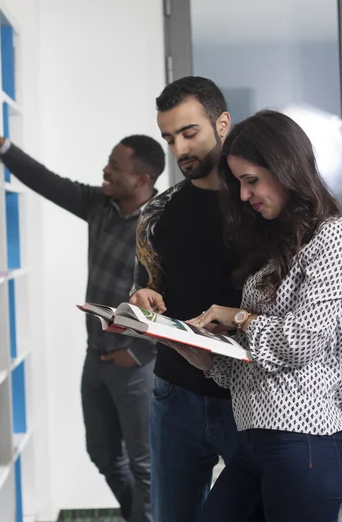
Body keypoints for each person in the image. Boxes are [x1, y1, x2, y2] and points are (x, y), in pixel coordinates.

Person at [0, 123, 165, 522]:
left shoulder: (161, 226)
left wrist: (138, 352)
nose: (105, 171)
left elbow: (177, 302)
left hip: (136, 366)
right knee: (102, 454)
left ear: (142, 179)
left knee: (145, 466)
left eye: (114, 166)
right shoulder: (99, 205)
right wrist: (1, 145)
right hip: (96, 356)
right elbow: (48, 182)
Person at [173, 109, 342, 522]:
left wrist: (237, 318)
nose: (245, 195)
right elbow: (259, 365)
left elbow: (300, 343)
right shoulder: (273, 248)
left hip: (305, 438)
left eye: (251, 180)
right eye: (238, 184)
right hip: (254, 438)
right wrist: (208, 360)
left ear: (286, 168)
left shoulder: (333, 237)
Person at [130, 77, 263, 522]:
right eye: (170, 138)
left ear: (222, 123)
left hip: (248, 394)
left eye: (190, 133)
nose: (180, 149)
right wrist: (143, 297)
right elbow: (147, 285)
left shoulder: (261, 206)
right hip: (175, 394)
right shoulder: (157, 212)